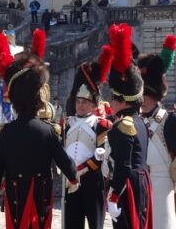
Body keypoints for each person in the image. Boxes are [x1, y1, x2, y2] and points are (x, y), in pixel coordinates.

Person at [0, 36, 78, 229]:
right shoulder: (48, 130)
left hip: (15, 192)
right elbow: (64, 160)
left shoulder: (7, 132)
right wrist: (73, 177)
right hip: (41, 192)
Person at [138, 34, 176, 229]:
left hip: (162, 181)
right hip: (138, 181)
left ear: (157, 96)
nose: (144, 100)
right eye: (142, 96)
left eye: (149, 96)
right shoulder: (132, 121)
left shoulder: (170, 119)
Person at [103, 23, 152, 229]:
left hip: (128, 187)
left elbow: (123, 166)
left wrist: (113, 196)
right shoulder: (139, 121)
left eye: (113, 98)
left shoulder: (122, 125)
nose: (110, 102)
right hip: (141, 182)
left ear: (122, 100)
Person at [62, 48, 113, 229]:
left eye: (85, 102)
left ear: (93, 104)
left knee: (95, 224)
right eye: (78, 101)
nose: (80, 105)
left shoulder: (101, 125)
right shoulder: (67, 123)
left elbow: (101, 155)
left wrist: (79, 171)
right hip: (69, 182)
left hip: (92, 181)